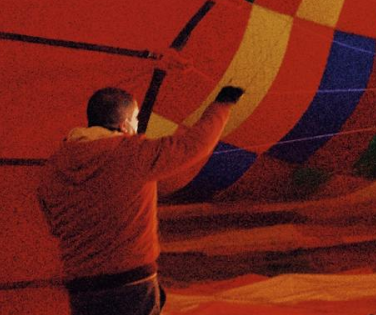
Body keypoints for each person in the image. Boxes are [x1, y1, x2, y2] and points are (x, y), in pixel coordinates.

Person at [38, 84, 244, 315]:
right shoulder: (132, 153)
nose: (137, 125)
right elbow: (193, 145)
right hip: (130, 283)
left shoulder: (54, 166)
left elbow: (54, 224)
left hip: (81, 288)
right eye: (136, 118)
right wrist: (223, 104)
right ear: (125, 125)